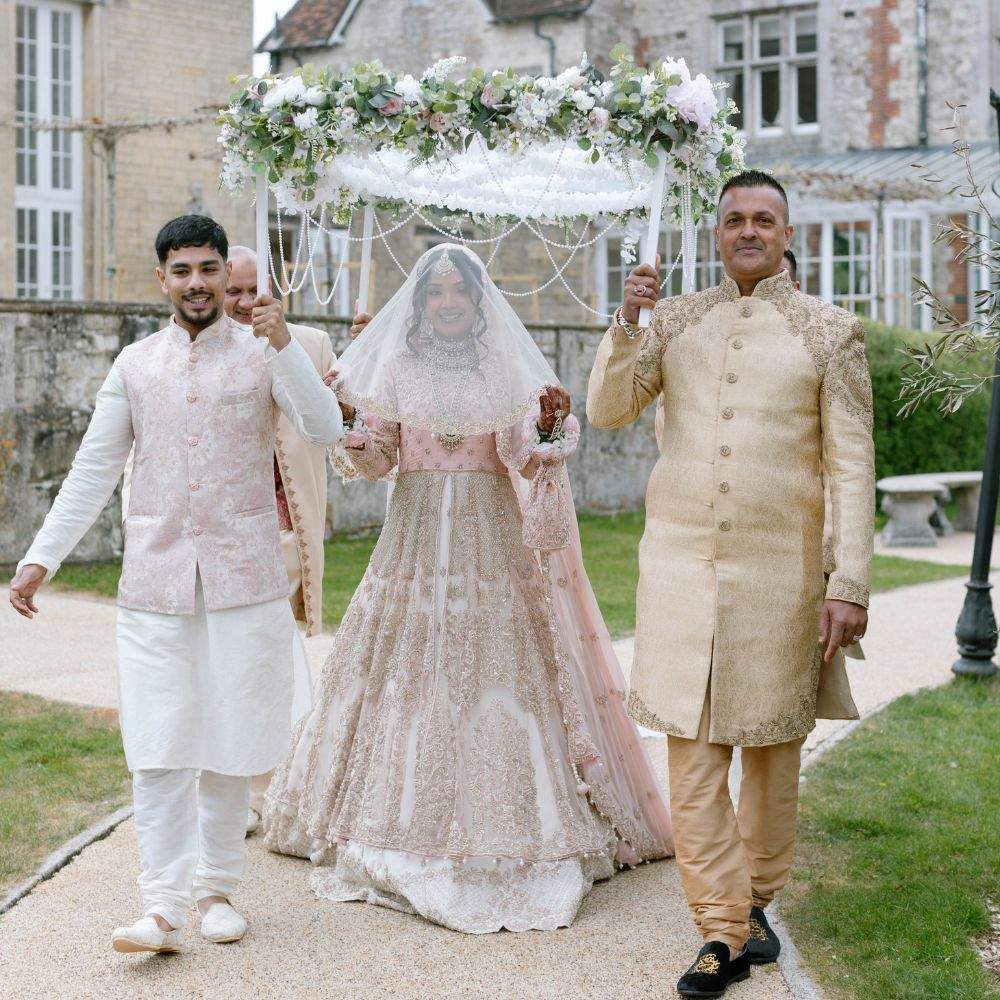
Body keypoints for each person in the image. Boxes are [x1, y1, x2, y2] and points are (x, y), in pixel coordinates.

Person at [263, 243, 672, 933]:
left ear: (478, 304)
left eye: (459, 292)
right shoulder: (392, 365)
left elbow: (521, 453)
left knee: (495, 671)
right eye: (437, 293)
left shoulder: (504, 366)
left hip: (492, 540)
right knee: (409, 670)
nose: (448, 303)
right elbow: (378, 457)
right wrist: (354, 418)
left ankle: (517, 822)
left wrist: (544, 427)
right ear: (420, 305)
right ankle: (393, 821)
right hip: (415, 539)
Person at [8, 216, 345, 955]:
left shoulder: (266, 354)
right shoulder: (134, 364)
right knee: (158, 746)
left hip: (245, 583)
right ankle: (159, 908)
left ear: (229, 275)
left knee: (231, 742)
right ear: (161, 279)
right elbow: (94, 468)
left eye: (210, 268)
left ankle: (217, 891)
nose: (198, 281)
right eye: (183, 269)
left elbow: (324, 430)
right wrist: (43, 558)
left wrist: (283, 342)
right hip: (154, 585)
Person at [587, 170, 874, 997]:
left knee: (772, 755)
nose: (748, 230)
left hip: (781, 581)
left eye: (764, 219)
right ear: (715, 234)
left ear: (789, 234)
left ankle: (756, 901)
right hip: (678, 571)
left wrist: (848, 581)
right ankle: (719, 928)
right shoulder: (674, 319)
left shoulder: (830, 332)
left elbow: (853, 468)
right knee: (692, 753)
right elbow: (607, 410)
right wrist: (628, 319)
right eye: (734, 219)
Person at [223, 245, 336, 835]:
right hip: (227, 529)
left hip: (285, 523)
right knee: (239, 658)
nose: (244, 304)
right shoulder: (205, 346)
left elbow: (341, 418)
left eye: (255, 291)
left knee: (275, 652)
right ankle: (245, 786)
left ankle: (279, 783)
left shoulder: (310, 343)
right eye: (234, 291)